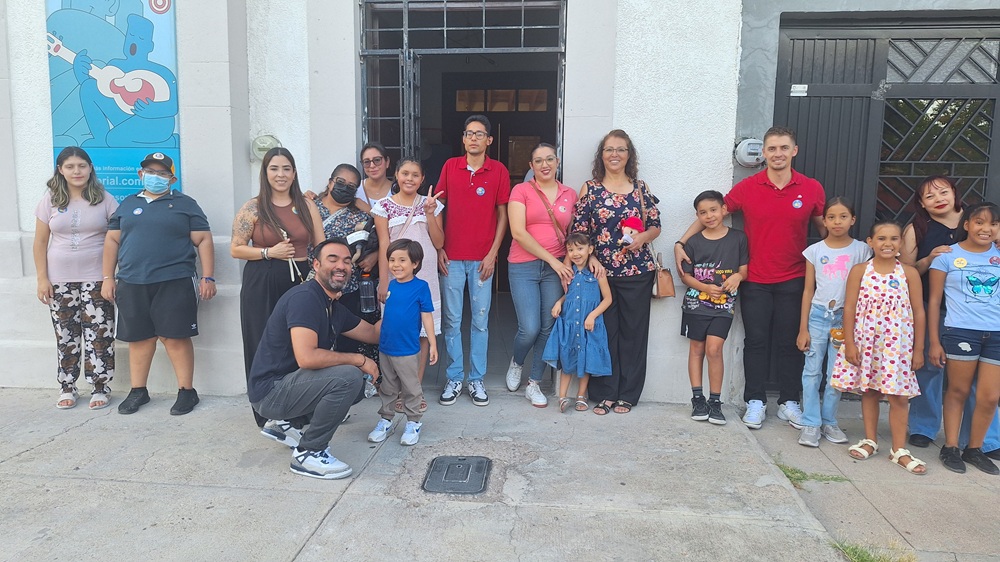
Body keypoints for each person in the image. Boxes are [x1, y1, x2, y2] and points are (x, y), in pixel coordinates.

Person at [675, 126, 826, 429]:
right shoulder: (749, 187)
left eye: (784, 148)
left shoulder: (811, 188)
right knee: (755, 341)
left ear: (793, 151)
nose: (778, 154)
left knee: (789, 342)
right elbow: (714, 214)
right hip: (754, 277)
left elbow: (824, 230)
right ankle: (754, 401)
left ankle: (788, 401)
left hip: (794, 276)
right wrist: (681, 243)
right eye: (772, 149)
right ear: (764, 154)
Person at [248, 238, 381, 479]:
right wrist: (359, 360)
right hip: (271, 392)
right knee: (349, 377)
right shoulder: (305, 299)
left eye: (347, 261)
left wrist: (398, 303)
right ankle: (309, 453)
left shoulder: (331, 305)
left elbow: (372, 334)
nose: (341, 265)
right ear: (316, 265)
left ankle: (286, 424)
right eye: (333, 259)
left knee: (358, 385)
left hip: (288, 385)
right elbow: (307, 358)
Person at [102, 152, 216, 415]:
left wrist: (208, 277)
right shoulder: (128, 204)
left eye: (162, 173)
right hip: (132, 281)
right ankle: (138, 391)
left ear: (172, 178)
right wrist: (108, 277)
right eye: (150, 172)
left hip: (174, 281)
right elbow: (111, 241)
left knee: (175, 337)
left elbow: (204, 240)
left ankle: (187, 392)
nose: (155, 177)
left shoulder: (186, 204)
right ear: (141, 175)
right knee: (140, 338)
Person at [901, 176, 1000, 455]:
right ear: (921, 204)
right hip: (936, 309)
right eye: (929, 196)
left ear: (955, 194)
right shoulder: (917, 228)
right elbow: (907, 272)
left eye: (943, 192)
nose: (938, 199)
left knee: (984, 379)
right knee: (931, 369)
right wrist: (929, 259)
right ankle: (924, 427)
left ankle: (986, 440)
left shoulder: (981, 220)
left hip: (983, 315)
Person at [231, 147, 323, 428]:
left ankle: (298, 409)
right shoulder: (253, 207)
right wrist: (268, 253)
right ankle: (267, 413)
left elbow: (320, 245)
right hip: (262, 279)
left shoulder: (307, 206)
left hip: (301, 280)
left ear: (294, 173)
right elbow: (236, 249)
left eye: (286, 169)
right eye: (274, 168)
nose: (280, 174)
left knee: (299, 344)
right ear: (265, 172)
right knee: (262, 343)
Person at [572, 129, 661, 414]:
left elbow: (656, 225)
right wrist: (592, 257)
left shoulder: (640, 188)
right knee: (603, 333)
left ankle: (628, 394)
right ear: (602, 155)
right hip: (601, 274)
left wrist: (643, 238)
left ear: (628, 155)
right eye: (609, 149)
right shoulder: (590, 188)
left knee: (634, 334)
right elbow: (579, 230)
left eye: (621, 149)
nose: (614, 154)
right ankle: (606, 392)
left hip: (637, 272)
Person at [831, 221, 926, 475]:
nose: (888, 243)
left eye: (894, 239)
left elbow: (918, 311)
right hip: (866, 342)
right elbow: (849, 308)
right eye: (881, 238)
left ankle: (898, 449)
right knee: (870, 390)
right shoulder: (860, 271)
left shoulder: (909, 273)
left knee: (898, 396)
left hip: (897, 344)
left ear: (900, 243)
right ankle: (870, 440)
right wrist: (849, 343)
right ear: (870, 242)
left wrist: (918, 349)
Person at [434, 115, 511, 407]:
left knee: (480, 322)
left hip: (483, 260)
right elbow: (438, 207)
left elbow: (503, 215)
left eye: (480, 134)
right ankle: (455, 377)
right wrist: (439, 245)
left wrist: (493, 253)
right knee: (452, 321)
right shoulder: (450, 167)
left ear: (489, 140)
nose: (474, 138)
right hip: (451, 258)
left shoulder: (498, 171)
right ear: (464, 139)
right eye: (469, 133)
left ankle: (476, 379)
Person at [34, 146, 118, 410]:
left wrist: (109, 276)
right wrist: (41, 278)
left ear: (90, 168)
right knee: (66, 335)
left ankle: (100, 386)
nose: (76, 171)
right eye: (70, 166)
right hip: (59, 279)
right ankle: (67, 386)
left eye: (81, 165)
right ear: (60, 170)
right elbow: (39, 242)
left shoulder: (104, 199)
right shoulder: (50, 199)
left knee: (99, 334)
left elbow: (116, 240)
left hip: (96, 277)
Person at [928, 202, 1000, 475]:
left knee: (990, 396)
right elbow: (934, 302)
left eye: (993, 223)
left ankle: (975, 449)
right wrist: (934, 341)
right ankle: (951, 446)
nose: (986, 228)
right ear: (967, 225)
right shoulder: (946, 256)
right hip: (960, 331)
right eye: (979, 222)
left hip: (996, 334)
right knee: (957, 390)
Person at [794, 197, 871, 447]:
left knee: (836, 373)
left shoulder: (862, 250)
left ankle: (829, 420)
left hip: (845, 318)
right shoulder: (815, 251)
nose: (837, 222)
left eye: (843, 216)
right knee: (812, 371)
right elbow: (807, 290)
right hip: (817, 315)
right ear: (824, 221)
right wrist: (803, 327)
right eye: (831, 217)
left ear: (853, 220)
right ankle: (810, 423)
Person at [505, 143, 577, 407]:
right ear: (531, 166)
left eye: (549, 159)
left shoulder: (570, 194)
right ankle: (517, 362)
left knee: (548, 327)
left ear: (557, 162)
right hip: (523, 265)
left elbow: (573, 235)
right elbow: (518, 233)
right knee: (529, 328)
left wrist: (565, 263)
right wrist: (554, 262)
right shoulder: (521, 190)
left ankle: (533, 382)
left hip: (556, 268)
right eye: (538, 161)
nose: (544, 164)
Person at [372, 158, 444, 413]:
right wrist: (383, 280)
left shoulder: (432, 204)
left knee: (423, 333)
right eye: (405, 174)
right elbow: (383, 245)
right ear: (396, 175)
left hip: (425, 276)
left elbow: (438, 241)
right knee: (397, 328)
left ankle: (415, 390)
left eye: (415, 175)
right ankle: (396, 389)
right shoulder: (383, 207)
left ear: (422, 178)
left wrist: (430, 212)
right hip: (395, 277)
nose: (410, 179)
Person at [679, 190, 749, 426]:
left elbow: (744, 270)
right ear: (697, 216)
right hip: (695, 305)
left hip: (724, 305)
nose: (709, 216)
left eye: (713, 210)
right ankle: (698, 399)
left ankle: (715, 401)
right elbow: (685, 277)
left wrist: (737, 277)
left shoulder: (738, 238)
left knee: (714, 349)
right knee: (697, 349)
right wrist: (705, 288)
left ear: (724, 210)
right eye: (703, 212)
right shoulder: (693, 243)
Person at [367, 239, 438, 446]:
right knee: (387, 386)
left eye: (402, 260)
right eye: (391, 260)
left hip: (407, 349)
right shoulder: (390, 285)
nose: (395, 265)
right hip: (386, 347)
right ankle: (386, 419)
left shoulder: (421, 287)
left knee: (411, 387)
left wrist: (432, 344)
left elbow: (427, 316)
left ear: (415, 263)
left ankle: (413, 422)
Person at [313, 164, 381, 367]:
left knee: (348, 339)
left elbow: (386, 230)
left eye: (351, 186)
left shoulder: (359, 214)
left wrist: (376, 254)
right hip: (314, 284)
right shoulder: (310, 207)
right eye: (341, 183)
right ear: (330, 181)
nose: (345, 188)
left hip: (348, 288)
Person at [542, 232, 612, 413]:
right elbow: (571, 295)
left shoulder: (598, 273)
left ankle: (581, 396)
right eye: (571, 250)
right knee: (567, 360)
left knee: (587, 359)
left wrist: (592, 316)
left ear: (590, 250)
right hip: (570, 325)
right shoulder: (569, 274)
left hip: (589, 325)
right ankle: (562, 396)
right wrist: (559, 302)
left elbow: (608, 299)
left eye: (580, 248)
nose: (575, 253)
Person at [356, 142, 393, 211]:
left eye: (377, 160)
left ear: (387, 162)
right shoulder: (356, 188)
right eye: (367, 162)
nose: (372, 166)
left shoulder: (397, 190)